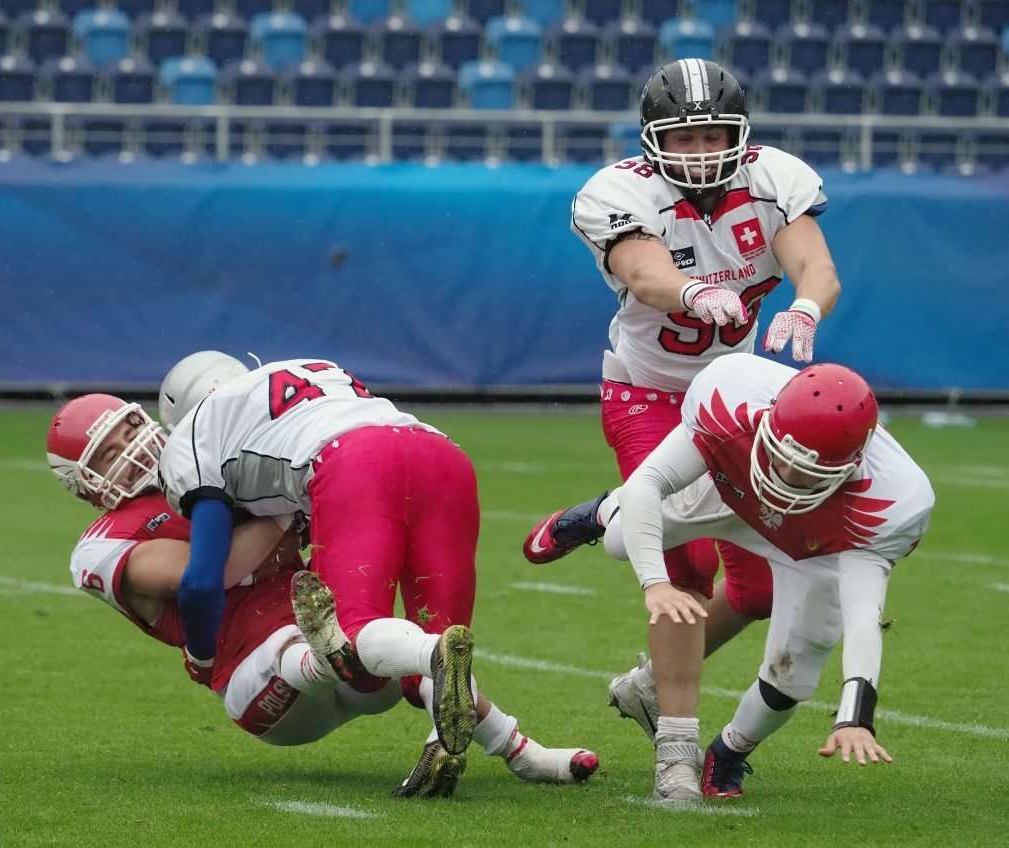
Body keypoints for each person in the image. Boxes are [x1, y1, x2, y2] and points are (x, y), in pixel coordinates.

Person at [48, 390, 595, 797]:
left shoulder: (207, 462)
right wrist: (289, 504)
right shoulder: (103, 543)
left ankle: (522, 751)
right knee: (308, 643)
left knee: (402, 646)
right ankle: (337, 654)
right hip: (263, 688)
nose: (132, 449)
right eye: (108, 453)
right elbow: (206, 572)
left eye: (129, 429)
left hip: (357, 669)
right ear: (82, 483)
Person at [522, 353, 935, 800]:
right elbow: (649, 482)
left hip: (808, 547)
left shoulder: (891, 503)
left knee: (794, 674)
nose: (786, 476)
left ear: (851, 466)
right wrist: (655, 583)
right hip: (731, 490)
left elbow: (863, 614)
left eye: (807, 472)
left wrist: (855, 718)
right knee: (624, 539)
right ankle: (597, 514)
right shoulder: (731, 397)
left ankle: (730, 751)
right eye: (782, 456)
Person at [559, 58, 845, 698]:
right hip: (647, 390)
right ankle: (678, 739)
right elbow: (644, 275)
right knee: (685, 567)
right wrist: (692, 291)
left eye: (712, 135)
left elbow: (818, 268)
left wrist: (805, 306)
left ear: (738, 133)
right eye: (683, 138)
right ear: (652, 138)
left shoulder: (775, 178)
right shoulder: (620, 192)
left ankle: (644, 684)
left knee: (759, 590)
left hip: (732, 397)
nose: (700, 152)